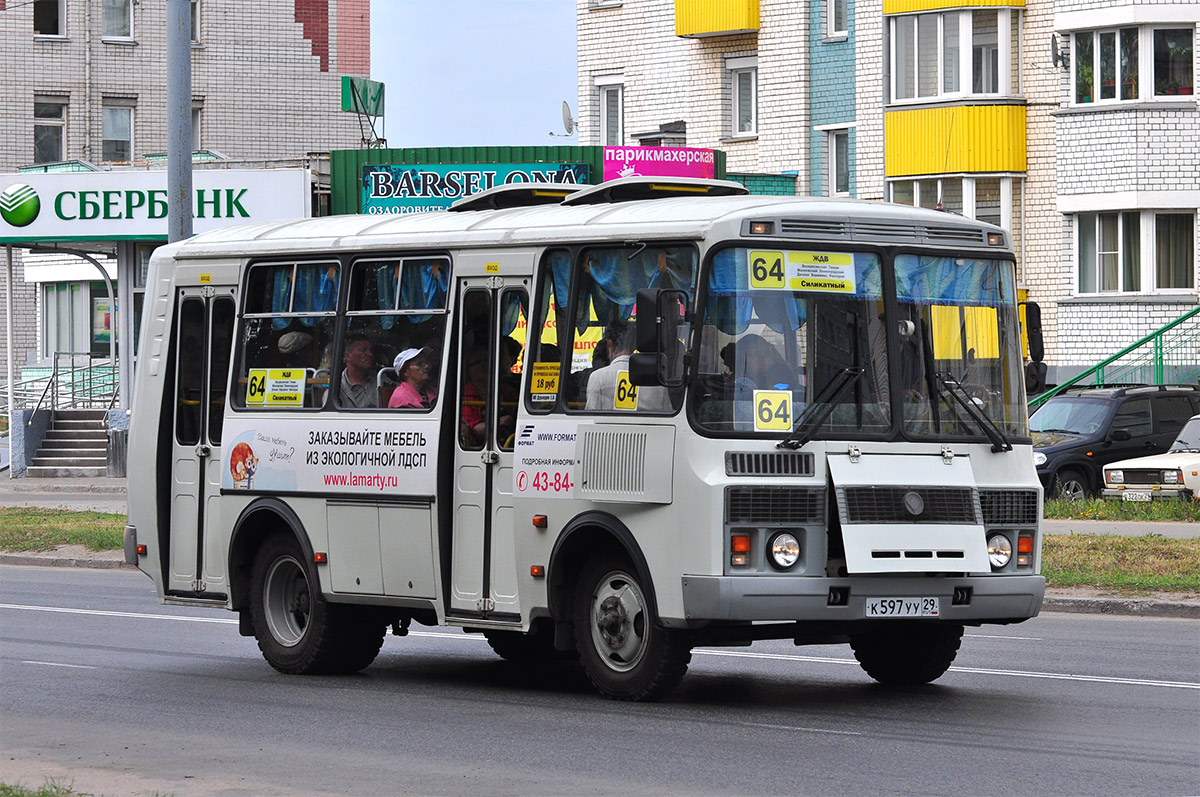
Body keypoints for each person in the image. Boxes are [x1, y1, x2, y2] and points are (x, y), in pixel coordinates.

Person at [585, 319, 672, 412]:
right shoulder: (656, 380)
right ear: (634, 345)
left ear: (609, 344)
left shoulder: (597, 377)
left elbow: (591, 417)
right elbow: (668, 412)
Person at [339, 333, 378, 408]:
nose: (370, 354)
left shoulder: (381, 380)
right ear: (347, 356)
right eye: (363, 350)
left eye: (370, 350)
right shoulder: (337, 388)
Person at [460, 347, 489, 446]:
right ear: (468, 370)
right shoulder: (465, 395)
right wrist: (498, 423)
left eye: (486, 360)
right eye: (477, 362)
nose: (484, 365)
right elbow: (474, 428)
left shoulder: (503, 388)